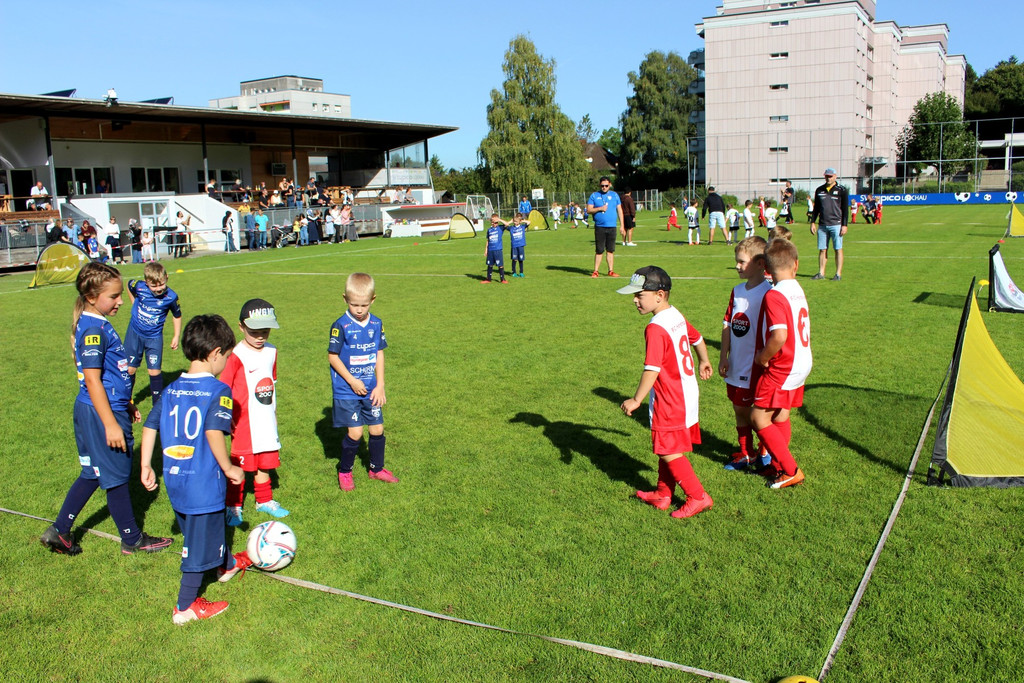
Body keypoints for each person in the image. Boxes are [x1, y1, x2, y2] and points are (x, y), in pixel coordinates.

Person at [39, 262, 174, 556]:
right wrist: (111, 423)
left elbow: (107, 374)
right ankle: (132, 539)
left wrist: (126, 401)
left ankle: (60, 531)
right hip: (102, 414)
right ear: (91, 297)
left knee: (91, 473)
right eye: (113, 296)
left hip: (97, 409)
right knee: (115, 477)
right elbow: (91, 379)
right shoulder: (93, 329)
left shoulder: (96, 323)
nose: (121, 300)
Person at [140, 314, 252, 625]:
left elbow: (150, 426)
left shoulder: (172, 389)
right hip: (203, 483)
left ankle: (226, 565)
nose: (226, 362)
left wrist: (146, 464)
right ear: (216, 353)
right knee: (194, 547)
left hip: (176, 481)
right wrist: (229, 466)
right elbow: (214, 432)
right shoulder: (219, 391)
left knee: (200, 532)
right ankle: (185, 606)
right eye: (226, 356)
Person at [617, 266, 714, 519]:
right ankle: (663, 493)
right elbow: (697, 338)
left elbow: (652, 368)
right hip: (685, 391)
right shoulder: (674, 315)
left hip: (671, 397)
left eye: (639, 295)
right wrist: (704, 360)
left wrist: (636, 399)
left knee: (669, 449)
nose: (634, 300)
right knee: (665, 446)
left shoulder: (655, 327)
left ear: (659, 295)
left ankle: (698, 496)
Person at [751, 239, 812, 489]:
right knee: (780, 413)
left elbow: (779, 336)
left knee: (758, 417)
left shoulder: (774, 295)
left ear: (766, 268)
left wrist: (762, 358)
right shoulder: (797, 287)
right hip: (803, 360)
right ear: (796, 265)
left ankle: (790, 469)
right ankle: (778, 467)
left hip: (784, 365)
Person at [220, 299, 288, 525]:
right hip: (244, 422)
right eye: (254, 331)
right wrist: (226, 416)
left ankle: (264, 500)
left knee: (265, 462)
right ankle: (233, 506)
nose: (260, 336)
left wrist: (274, 413)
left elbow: (272, 382)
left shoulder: (272, 351)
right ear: (241, 327)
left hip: (266, 419)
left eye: (265, 331)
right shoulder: (235, 355)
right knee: (239, 466)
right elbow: (224, 389)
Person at [328, 272, 397, 491]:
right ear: (345, 299)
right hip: (347, 390)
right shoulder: (340, 325)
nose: (359, 310)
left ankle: (376, 469)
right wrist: (351, 381)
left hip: (371, 388)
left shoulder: (377, 323)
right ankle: (345, 470)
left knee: (377, 429)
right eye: (354, 304)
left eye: (364, 305)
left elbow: (379, 352)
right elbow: (333, 356)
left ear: (373, 300)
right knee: (356, 432)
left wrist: (380, 384)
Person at [719, 237, 773, 470]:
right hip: (737, 362)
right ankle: (745, 453)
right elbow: (728, 324)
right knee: (739, 409)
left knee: (757, 413)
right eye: (736, 262)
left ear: (761, 263)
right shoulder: (737, 290)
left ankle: (764, 450)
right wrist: (723, 356)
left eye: (742, 262)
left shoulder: (769, 293)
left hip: (758, 365)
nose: (737, 266)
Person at [125, 261, 183, 404]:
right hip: (135, 333)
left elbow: (177, 315)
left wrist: (176, 335)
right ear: (146, 282)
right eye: (154, 286)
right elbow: (128, 285)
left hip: (154, 338)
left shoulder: (171, 297)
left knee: (154, 371)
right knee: (130, 369)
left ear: (167, 278)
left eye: (161, 284)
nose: (158, 289)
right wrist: (134, 303)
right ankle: (127, 400)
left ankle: (157, 406)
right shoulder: (139, 287)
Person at [809, 167, 849, 281]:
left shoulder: (842, 190)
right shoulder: (819, 190)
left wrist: (844, 225)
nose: (828, 178)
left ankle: (838, 274)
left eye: (830, 176)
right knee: (822, 249)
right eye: (827, 176)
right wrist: (812, 222)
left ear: (835, 176)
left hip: (836, 224)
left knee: (838, 249)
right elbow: (816, 208)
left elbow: (845, 209)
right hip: (822, 225)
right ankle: (821, 273)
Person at [587, 177, 623, 278]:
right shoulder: (594, 195)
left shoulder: (615, 195)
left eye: (606, 186)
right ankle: (596, 271)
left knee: (610, 250)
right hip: (600, 227)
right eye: (602, 185)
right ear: (600, 185)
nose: (604, 187)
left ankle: (610, 270)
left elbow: (619, 210)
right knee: (599, 250)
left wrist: (622, 226)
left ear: (610, 185)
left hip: (612, 227)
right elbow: (589, 210)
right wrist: (599, 208)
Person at [482, 213, 509, 284]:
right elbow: (488, 240)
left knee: (500, 265)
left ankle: (502, 279)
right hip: (490, 250)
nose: (494, 224)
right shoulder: (489, 230)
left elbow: (507, 224)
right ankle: (488, 279)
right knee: (490, 264)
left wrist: (499, 219)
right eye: (493, 222)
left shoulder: (500, 228)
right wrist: (486, 250)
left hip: (498, 250)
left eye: (496, 222)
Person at [508, 212, 527, 278]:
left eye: (516, 221)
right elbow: (506, 224)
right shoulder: (511, 228)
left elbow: (529, 222)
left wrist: (522, 220)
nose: (515, 223)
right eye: (514, 221)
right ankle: (514, 272)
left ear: (519, 221)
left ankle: (521, 272)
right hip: (514, 246)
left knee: (521, 259)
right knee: (514, 259)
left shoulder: (522, 227)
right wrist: (511, 221)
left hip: (521, 245)